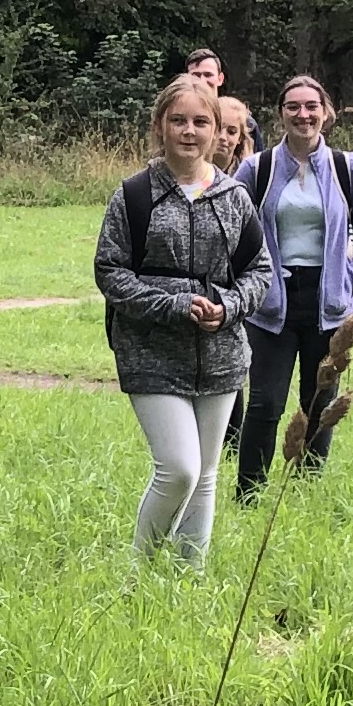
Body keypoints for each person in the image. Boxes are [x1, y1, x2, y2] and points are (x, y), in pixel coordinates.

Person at [96, 72, 267, 564]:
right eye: (178, 121)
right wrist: (172, 304)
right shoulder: (133, 195)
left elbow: (260, 271)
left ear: (219, 131)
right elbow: (110, 270)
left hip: (222, 355)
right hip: (150, 354)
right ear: (159, 126)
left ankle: (190, 579)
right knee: (179, 469)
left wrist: (230, 306)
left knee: (208, 474)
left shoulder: (235, 198)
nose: (189, 132)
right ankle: (140, 569)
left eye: (200, 122)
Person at [235, 77, 353, 491]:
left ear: (326, 112)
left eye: (311, 106)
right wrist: (252, 281)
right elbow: (233, 230)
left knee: (319, 403)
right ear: (281, 114)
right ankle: (249, 493)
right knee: (265, 403)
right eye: (293, 107)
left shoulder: (347, 167)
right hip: (272, 305)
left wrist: (351, 277)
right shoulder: (257, 168)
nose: (303, 115)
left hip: (329, 303)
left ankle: (305, 490)